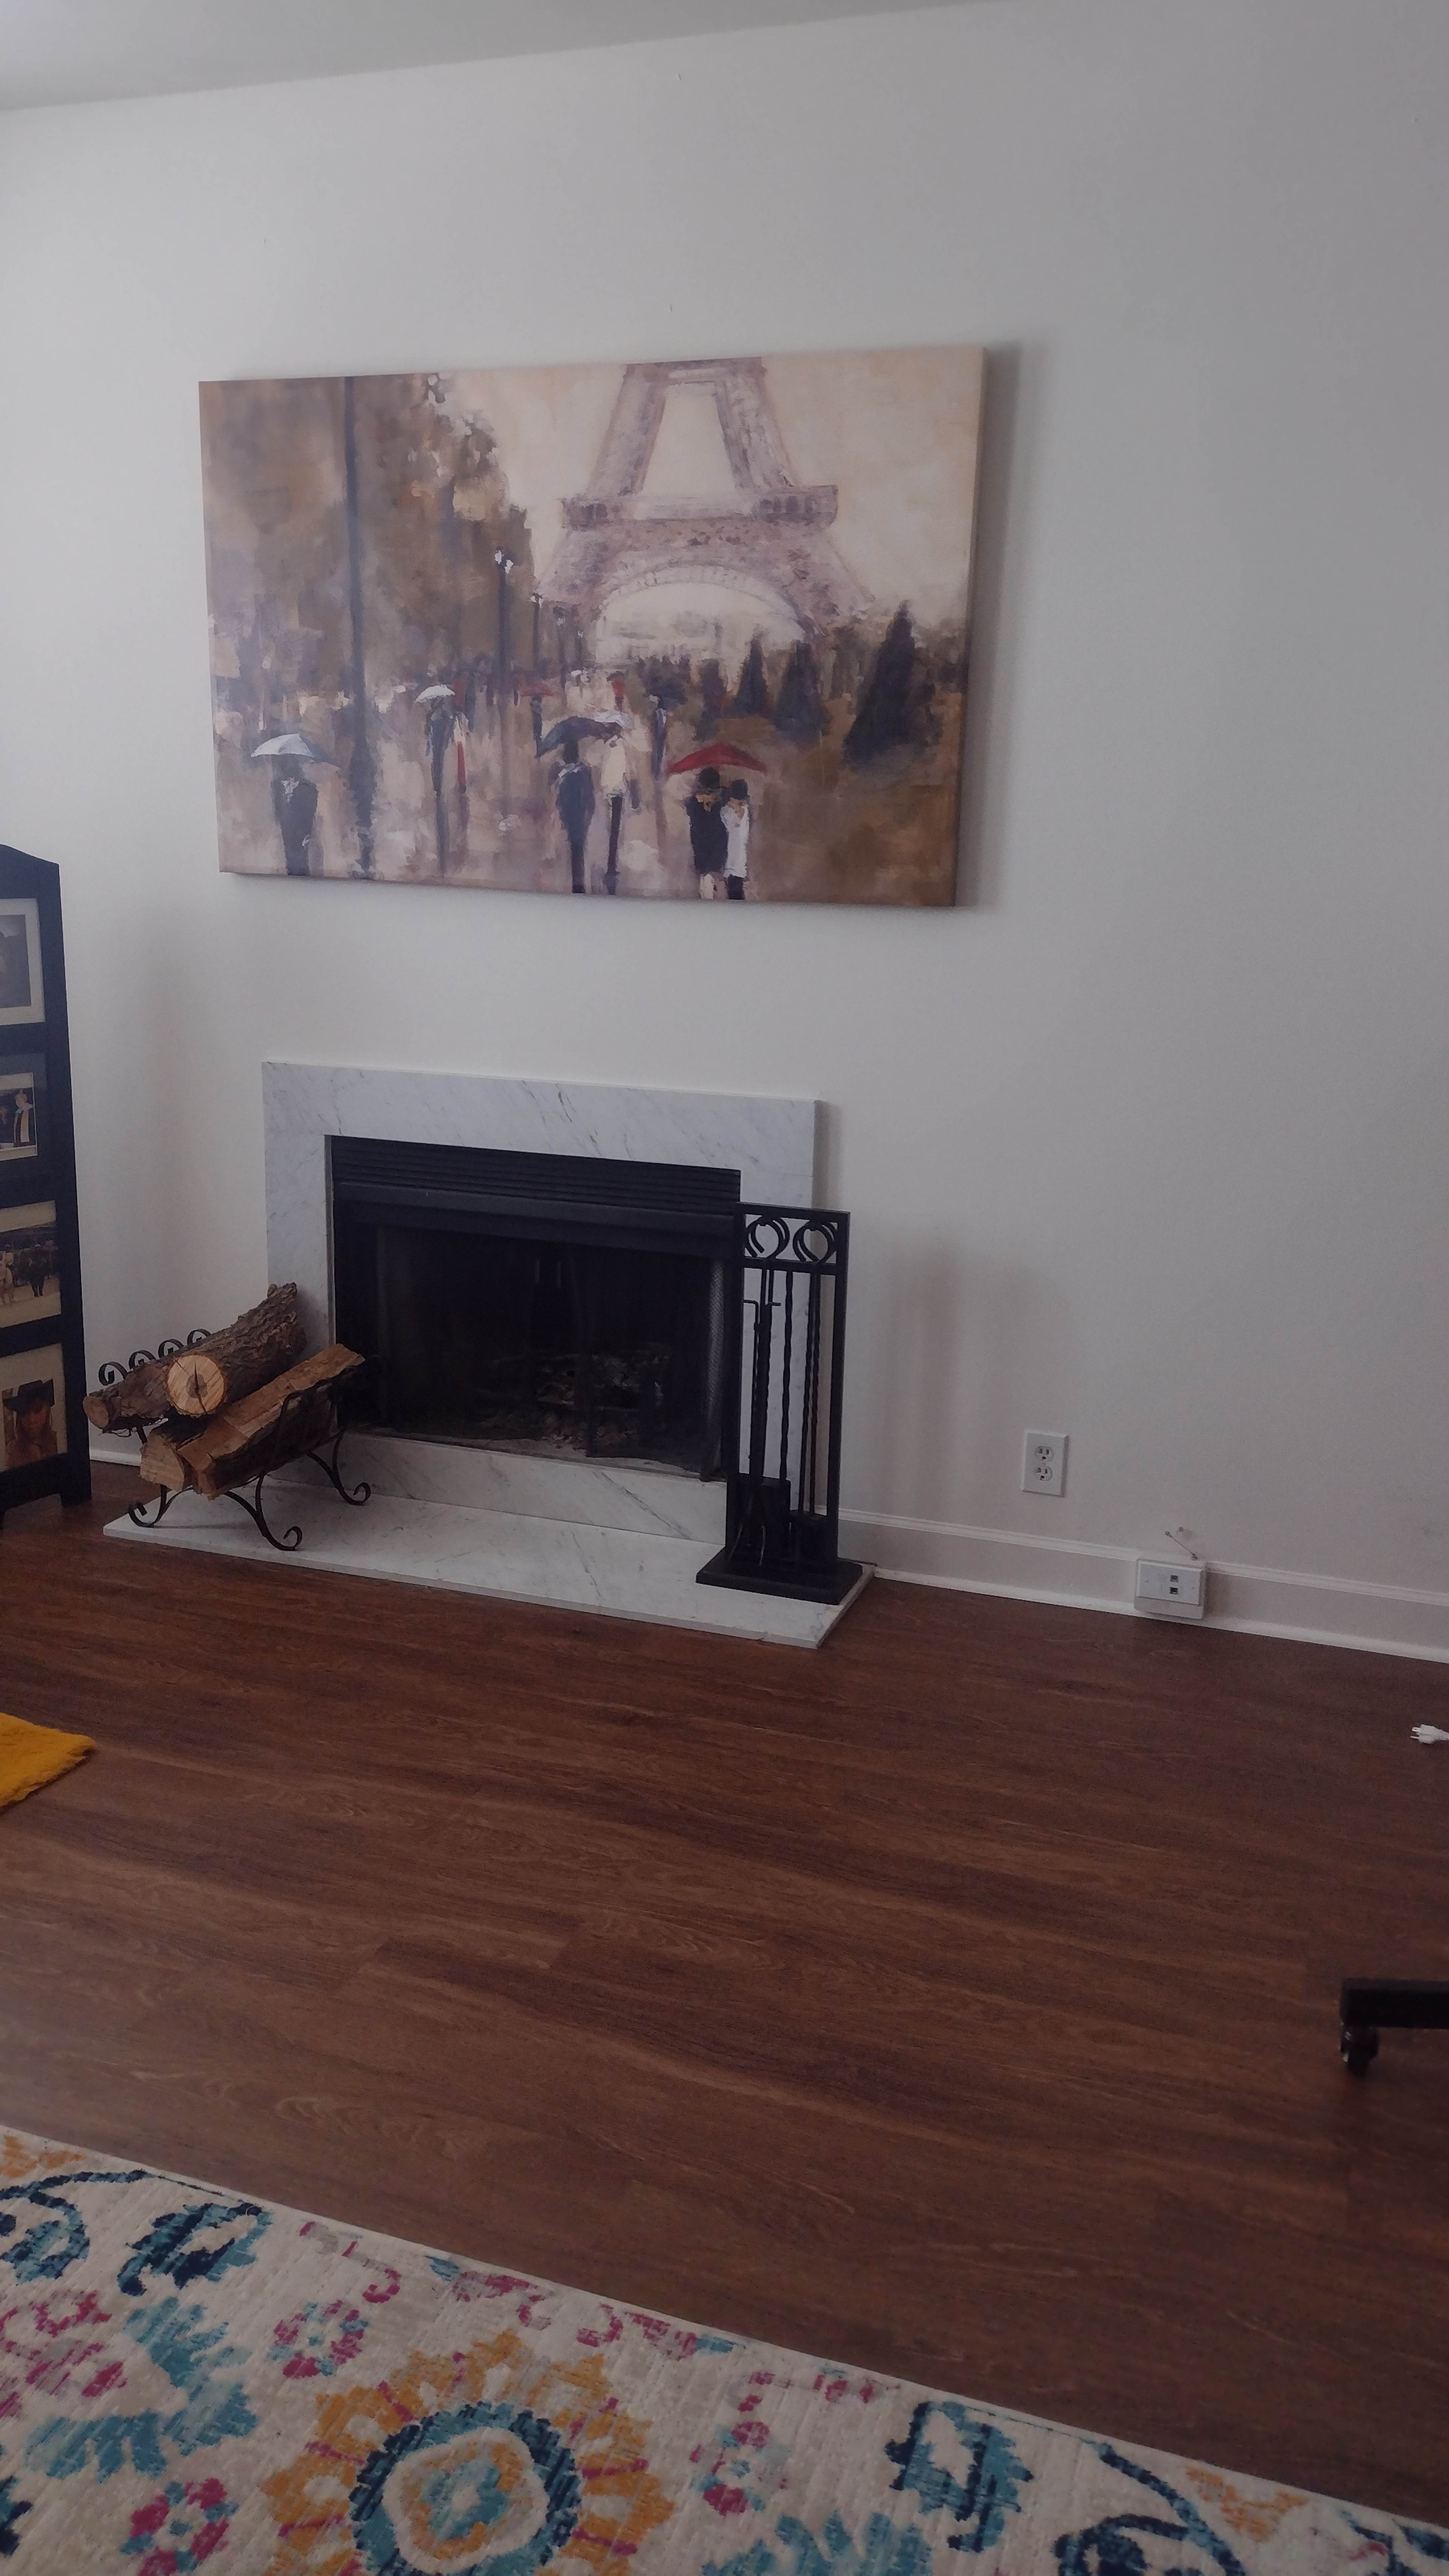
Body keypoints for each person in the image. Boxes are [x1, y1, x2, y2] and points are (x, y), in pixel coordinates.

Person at [598, 725, 638, 895]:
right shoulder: (621, 747)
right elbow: (629, 771)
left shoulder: (607, 747)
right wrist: (634, 791)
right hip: (618, 792)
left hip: (610, 792)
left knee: (613, 829)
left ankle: (611, 863)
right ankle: (612, 865)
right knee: (615, 829)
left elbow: (603, 770)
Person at [553, 735, 595, 894]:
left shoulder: (566, 776)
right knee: (579, 849)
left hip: (572, 818)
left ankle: (578, 884)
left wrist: (563, 816)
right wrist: (589, 815)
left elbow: (562, 801)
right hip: (581, 817)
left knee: (575, 849)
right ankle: (579, 883)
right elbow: (590, 797)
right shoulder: (585, 772)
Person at [685, 765, 728, 898]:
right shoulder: (723, 799)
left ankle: (707, 893)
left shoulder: (694, 801)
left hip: (701, 841)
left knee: (705, 874)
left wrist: (702, 799)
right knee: (713, 871)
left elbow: (690, 809)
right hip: (717, 839)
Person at [271, 757, 318, 877]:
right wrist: (286, 797)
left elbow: (311, 810)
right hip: (287, 828)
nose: (290, 777)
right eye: (289, 773)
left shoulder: (309, 787)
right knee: (290, 854)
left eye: (293, 772)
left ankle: (301, 877)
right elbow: (278, 809)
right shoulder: (278, 786)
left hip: (302, 828)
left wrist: (308, 832)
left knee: (301, 856)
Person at [3, 1377, 57, 1469]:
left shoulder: (57, 1440)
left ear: (47, 1410)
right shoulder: (13, 1453)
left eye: (37, 1411)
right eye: (24, 1413)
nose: (31, 1420)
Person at [722, 778, 752, 900]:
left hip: (737, 865)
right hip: (733, 865)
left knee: (736, 897)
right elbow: (732, 823)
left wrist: (736, 808)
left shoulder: (743, 811)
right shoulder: (727, 811)